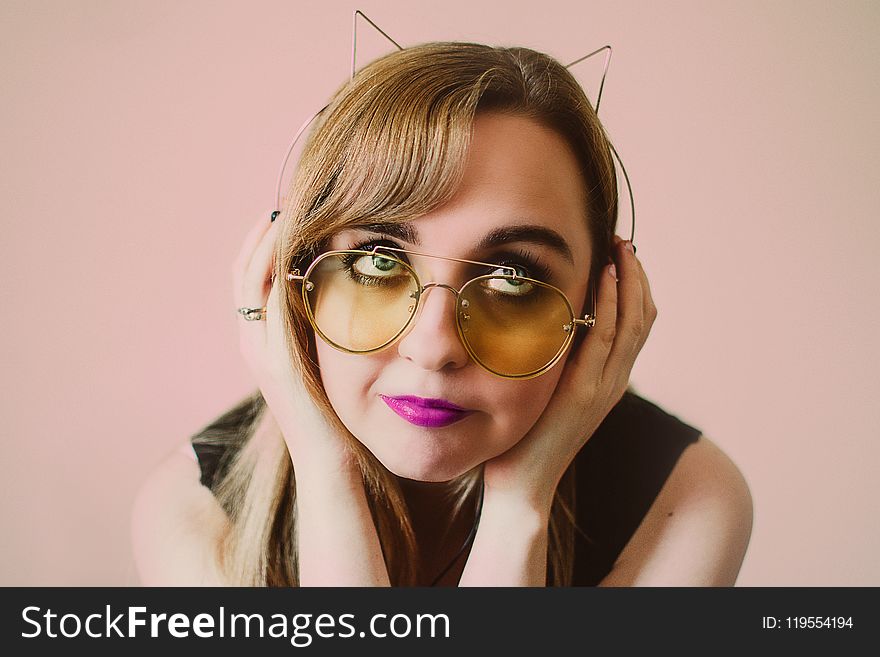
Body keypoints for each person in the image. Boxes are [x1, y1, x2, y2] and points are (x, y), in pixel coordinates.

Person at [131, 42, 752, 586]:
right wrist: (327, 476)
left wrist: (520, 510)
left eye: (514, 276)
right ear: (289, 279)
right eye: (377, 261)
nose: (433, 346)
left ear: (604, 302)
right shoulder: (193, 508)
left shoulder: (685, 503)